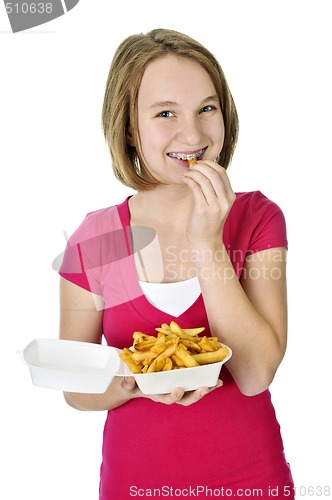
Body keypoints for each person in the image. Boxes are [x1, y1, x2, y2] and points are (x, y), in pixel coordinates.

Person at [59, 28, 294, 499]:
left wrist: (207, 241)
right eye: (166, 113)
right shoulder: (99, 238)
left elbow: (253, 374)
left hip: (252, 483)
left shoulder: (257, 218)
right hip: (134, 485)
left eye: (207, 109)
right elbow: (76, 385)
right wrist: (137, 384)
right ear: (129, 127)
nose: (193, 135)